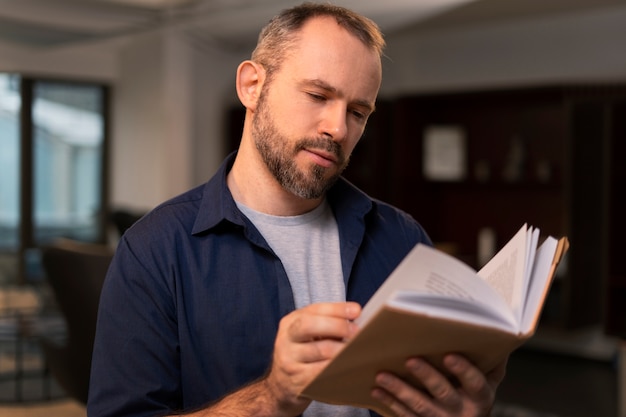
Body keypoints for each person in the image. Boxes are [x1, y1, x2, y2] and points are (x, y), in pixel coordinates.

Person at [88, 3, 507, 417]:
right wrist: (270, 399)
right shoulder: (153, 251)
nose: (338, 129)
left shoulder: (403, 239)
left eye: (358, 112)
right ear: (252, 86)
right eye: (317, 95)